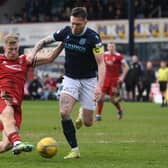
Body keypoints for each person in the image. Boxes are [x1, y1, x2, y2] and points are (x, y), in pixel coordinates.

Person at [31, 7, 105, 159]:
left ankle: (82, 113)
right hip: (70, 78)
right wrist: (33, 53)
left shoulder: (94, 38)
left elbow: (101, 64)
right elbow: (44, 41)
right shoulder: (65, 32)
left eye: (78, 24)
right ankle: (75, 150)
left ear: (85, 22)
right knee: (64, 112)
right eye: (72, 23)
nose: (74, 27)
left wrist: (99, 86)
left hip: (89, 80)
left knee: (88, 122)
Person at [0, 34, 63, 154]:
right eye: (10, 49)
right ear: (4, 49)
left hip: (16, 103)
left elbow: (49, 58)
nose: (13, 52)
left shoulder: (24, 60)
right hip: (3, 97)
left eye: (15, 49)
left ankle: (14, 142)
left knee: (6, 145)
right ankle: (18, 142)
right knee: (7, 114)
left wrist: (63, 43)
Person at [95, 42, 129, 121]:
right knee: (101, 97)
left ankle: (120, 110)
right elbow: (99, 63)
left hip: (114, 80)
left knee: (112, 99)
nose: (111, 48)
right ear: (107, 47)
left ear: (115, 47)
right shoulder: (104, 55)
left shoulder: (119, 56)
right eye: (109, 46)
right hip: (105, 79)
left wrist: (122, 77)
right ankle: (98, 115)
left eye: (112, 46)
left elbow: (126, 67)